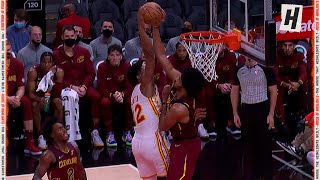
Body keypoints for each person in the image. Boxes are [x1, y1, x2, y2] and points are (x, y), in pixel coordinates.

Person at [153, 17, 206, 180]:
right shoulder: (183, 87)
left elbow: (162, 126)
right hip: (182, 142)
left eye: (180, 78)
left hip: (185, 145)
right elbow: (162, 57)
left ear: (185, 86)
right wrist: (155, 29)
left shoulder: (179, 109)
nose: (176, 77)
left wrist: (164, 99)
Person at [128, 8, 169, 179]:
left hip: (137, 143)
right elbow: (151, 55)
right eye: (143, 66)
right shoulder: (145, 84)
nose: (146, 65)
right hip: (153, 140)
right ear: (139, 76)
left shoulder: (135, 92)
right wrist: (143, 25)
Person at [53, 25, 101, 147]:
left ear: (76, 36)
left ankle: (95, 132)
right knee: (70, 97)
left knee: (96, 96)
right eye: (67, 36)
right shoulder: (56, 54)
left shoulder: (84, 52)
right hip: (66, 88)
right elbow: (55, 77)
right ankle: (70, 136)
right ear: (62, 37)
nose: (70, 38)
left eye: (72, 36)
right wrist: (71, 86)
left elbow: (91, 73)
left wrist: (84, 86)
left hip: (83, 85)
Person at [231, 58, 277, 180]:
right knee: (248, 146)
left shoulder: (266, 68)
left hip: (263, 108)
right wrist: (235, 113)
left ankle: (267, 175)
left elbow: (273, 91)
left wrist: (271, 113)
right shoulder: (238, 69)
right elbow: (234, 90)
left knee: (264, 145)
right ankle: (251, 175)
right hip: (246, 109)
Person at [6, 40, 42, 155]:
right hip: (3, 98)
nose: (7, 53)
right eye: (4, 51)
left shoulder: (17, 64)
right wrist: (7, 99)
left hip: (14, 96)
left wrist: (17, 97)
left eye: (9, 50)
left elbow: (21, 87)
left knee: (26, 101)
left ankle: (30, 141)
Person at [97, 44, 133, 147]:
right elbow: (101, 87)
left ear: (121, 56)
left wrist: (122, 94)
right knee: (105, 102)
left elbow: (130, 86)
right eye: (112, 55)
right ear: (108, 56)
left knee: (130, 100)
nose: (114, 57)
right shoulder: (102, 67)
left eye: (117, 55)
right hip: (109, 95)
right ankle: (109, 133)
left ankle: (127, 131)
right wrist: (112, 95)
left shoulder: (127, 66)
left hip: (123, 95)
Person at [27, 52, 64, 150]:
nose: (46, 65)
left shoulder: (59, 72)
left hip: (51, 97)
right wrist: (40, 99)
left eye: (49, 62)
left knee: (58, 103)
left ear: (53, 64)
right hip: (38, 99)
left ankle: (57, 134)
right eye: (44, 62)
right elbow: (30, 93)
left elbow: (57, 93)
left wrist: (50, 79)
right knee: (35, 104)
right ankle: (41, 136)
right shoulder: (33, 71)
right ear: (40, 63)